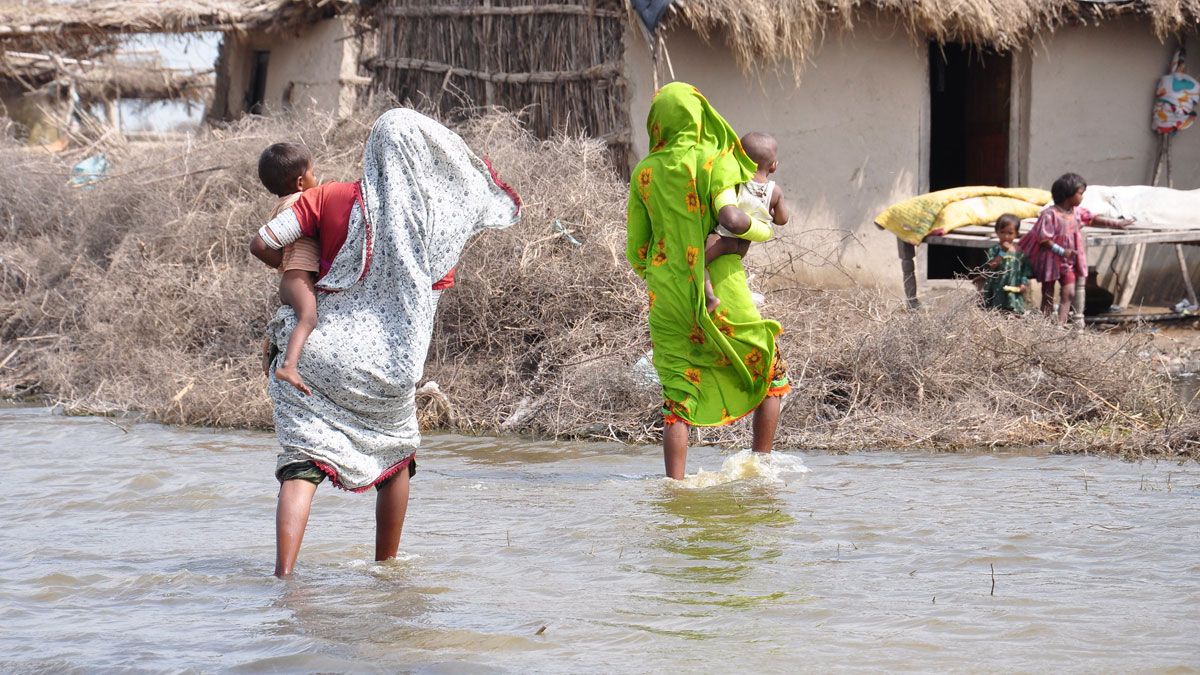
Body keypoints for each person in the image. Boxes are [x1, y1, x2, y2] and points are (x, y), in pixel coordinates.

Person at [248, 109, 520, 577]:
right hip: (389, 361)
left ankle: (284, 577)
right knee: (396, 456)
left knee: (300, 462)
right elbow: (434, 283)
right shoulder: (427, 224)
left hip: (319, 351)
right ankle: (387, 570)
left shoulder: (330, 196)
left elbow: (265, 240)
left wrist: (303, 272)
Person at [626, 82, 790, 480]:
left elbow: (636, 250)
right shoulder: (715, 160)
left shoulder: (644, 172)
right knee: (770, 371)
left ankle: (675, 488)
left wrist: (668, 272)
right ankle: (759, 466)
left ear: (658, 121)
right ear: (700, 116)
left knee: (678, 396)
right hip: (725, 288)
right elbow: (739, 216)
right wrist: (762, 232)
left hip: (667, 295)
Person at [257, 142, 321, 394]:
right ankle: (288, 366)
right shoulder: (300, 202)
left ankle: (273, 344)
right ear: (299, 183)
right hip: (298, 276)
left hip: (291, 277)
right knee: (308, 318)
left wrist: (282, 265)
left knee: (299, 318)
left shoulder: (282, 204)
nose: (316, 178)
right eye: (313, 174)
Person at [702, 131, 790, 312]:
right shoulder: (775, 191)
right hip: (743, 246)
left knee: (697, 263)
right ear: (773, 166)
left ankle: (709, 298)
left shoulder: (736, 182)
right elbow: (782, 220)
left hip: (723, 239)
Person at [980, 214, 1033, 313]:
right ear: (997, 232)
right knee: (996, 311)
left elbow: (1024, 271)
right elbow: (992, 265)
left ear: (1016, 234)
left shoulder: (1020, 252)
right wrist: (1002, 252)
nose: (1006, 236)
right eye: (1002, 232)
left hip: (1013, 289)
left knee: (1014, 313)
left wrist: (1023, 283)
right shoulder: (994, 249)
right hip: (997, 288)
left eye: (1010, 233)